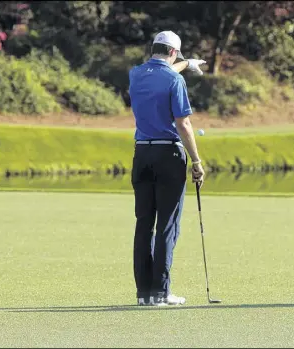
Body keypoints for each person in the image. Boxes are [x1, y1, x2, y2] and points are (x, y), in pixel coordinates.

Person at [128, 30, 207, 306]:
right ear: (174, 52)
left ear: (154, 48)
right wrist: (196, 161)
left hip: (142, 154)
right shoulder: (175, 80)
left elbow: (164, 70)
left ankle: (144, 294)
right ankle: (161, 292)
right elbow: (183, 124)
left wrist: (189, 62)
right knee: (166, 226)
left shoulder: (136, 74)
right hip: (169, 155)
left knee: (144, 225)